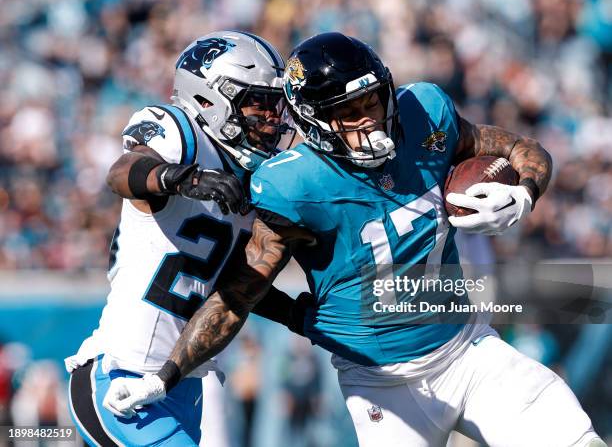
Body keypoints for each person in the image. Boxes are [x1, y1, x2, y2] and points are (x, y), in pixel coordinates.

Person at [104, 32, 605, 446]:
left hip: (469, 346)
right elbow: (239, 294)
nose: (369, 119)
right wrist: (166, 375)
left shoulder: (424, 113)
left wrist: (524, 193)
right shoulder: (290, 184)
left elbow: (520, 147)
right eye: (350, 112)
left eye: (373, 101)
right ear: (313, 123)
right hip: (381, 383)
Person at [65, 30, 300, 447]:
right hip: (121, 377)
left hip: (181, 385)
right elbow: (124, 172)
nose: (271, 117)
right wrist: (180, 177)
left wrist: (301, 315)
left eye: (275, 104)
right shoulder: (182, 136)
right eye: (257, 101)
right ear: (211, 97)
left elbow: (234, 283)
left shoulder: (255, 178)